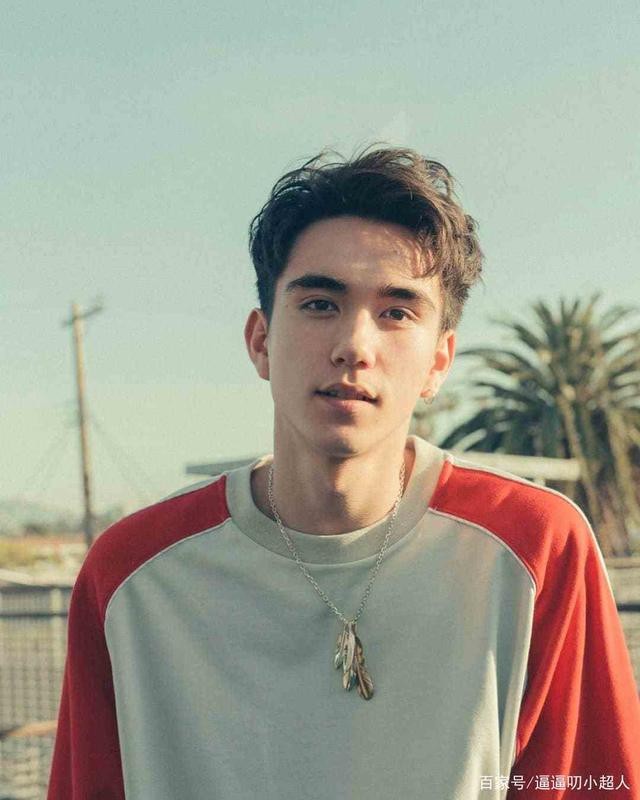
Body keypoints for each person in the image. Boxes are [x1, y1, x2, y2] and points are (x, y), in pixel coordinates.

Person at [47, 147, 640, 799]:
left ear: (439, 362)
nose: (354, 345)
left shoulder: (536, 549)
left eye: (397, 312)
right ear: (261, 341)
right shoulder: (130, 577)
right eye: (319, 304)